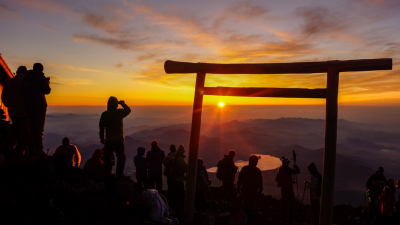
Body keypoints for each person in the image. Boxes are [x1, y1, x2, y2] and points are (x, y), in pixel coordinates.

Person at [23, 63, 51, 156]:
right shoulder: (41, 77)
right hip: (39, 106)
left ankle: (29, 149)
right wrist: (47, 82)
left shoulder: (27, 77)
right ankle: (38, 150)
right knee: (39, 129)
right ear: (41, 70)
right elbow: (47, 90)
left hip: (28, 106)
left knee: (30, 127)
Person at [99, 96, 131, 178]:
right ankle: (119, 174)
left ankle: (107, 173)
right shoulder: (119, 113)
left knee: (108, 157)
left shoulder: (105, 114)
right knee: (121, 157)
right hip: (119, 140)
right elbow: (128, 110)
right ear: (116, 104)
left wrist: (102, 138)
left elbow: (101, 127)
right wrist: (123, 104)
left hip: (109, 140)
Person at [1, 66, 29, 158]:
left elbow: (4, 98)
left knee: (15, 130)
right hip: (23, 112)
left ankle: (10, 150)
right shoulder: (24, 82)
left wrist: (10, 106)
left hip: (12, 112)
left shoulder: (8, 82)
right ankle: (19, 153)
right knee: (23, 133)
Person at [237, 155, 263, 225]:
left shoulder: (244, 169)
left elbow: (240, 180)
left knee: (245, 207)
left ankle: (245, 220)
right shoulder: (257, 171)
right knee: (251, 209)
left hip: (245, 191)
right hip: (253, 193)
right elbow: (260, 184)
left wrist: (238, 189)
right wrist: (259, 193)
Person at [163, 145, 187, 213]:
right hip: (178, 180)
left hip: (171, 179)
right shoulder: (179, 159)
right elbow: (186, 168)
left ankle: (171, 207)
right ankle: (179, 210)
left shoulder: (170, 157)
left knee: (172, 193)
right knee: (180, 195)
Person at [275, 156, 300, 222]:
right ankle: (289, 217)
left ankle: (283, 217)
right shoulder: (287, 169)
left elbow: (277, 179)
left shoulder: (280, 169)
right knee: (290, 202)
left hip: (283, 188)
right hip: (288, 188)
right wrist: (296, 166)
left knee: (284, 202)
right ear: (287, 163)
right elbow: (297, 171)